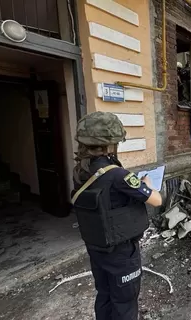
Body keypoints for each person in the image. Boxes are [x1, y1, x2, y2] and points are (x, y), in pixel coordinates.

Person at [71, 111, 162, 320]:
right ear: (110, 144)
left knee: (104, 295)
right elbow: (156, 200)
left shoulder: (80, 171)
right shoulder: (117, 174)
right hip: (121, 251)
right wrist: (146, 184)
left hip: (96, 247)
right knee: (124, 302)